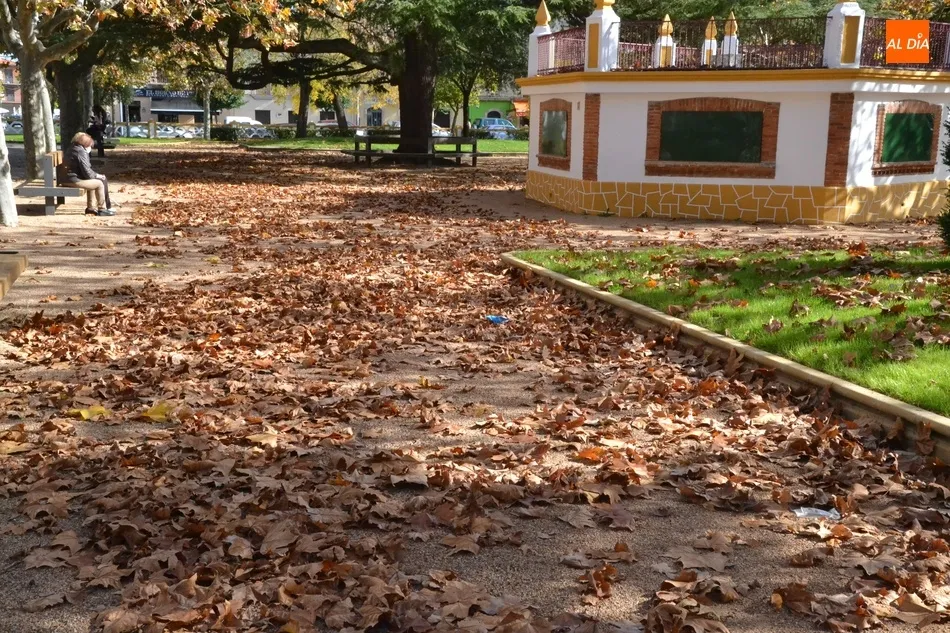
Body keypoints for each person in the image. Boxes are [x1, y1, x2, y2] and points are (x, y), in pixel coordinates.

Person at [59, 132, 117, 216]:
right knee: (99, 184)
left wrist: (95, 176)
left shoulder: (73, 148)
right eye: (90, 145)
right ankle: (102, 209)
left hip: (66, 178)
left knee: (92, 181)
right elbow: (87, 172)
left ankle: (91, 208)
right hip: (72, 180)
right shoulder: (81, 151)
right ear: (85, 144)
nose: (90, 147)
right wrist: (97, 175)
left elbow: (86, 172)